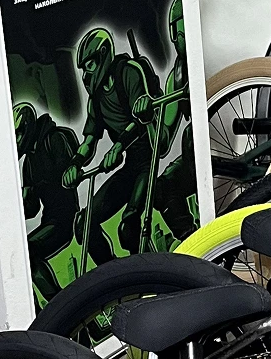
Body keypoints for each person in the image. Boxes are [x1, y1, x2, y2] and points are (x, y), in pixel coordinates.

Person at [64, 25, 161, 263]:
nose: (87, 75)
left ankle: (154, 271)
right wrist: (75, 164)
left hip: (148, 161)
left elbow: (140, 120)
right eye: (84, 69)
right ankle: (113, 274)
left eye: (90, 65)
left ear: (104, 54)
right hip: (130, 166)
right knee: (84, 224)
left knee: (129, 227)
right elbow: (89, 140)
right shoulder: (96, 100)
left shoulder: (128, 72)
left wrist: (118, 146)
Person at [14, 100, 80, 305]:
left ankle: (59, 303)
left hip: (66, 219)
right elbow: (31, 207)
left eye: (18, 135)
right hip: (49, 221)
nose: (16, 142)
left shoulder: (55, 139)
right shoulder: (29, 163)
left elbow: (68, 174)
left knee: (29, 251)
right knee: (24, 254)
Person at [152, 0, 199, 239]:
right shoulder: (177, 76)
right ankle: (191, 237)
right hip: (195, 153)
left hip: (228, 137)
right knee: (162, 187)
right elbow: (162, 141)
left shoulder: (211, 50)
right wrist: (147, 116)